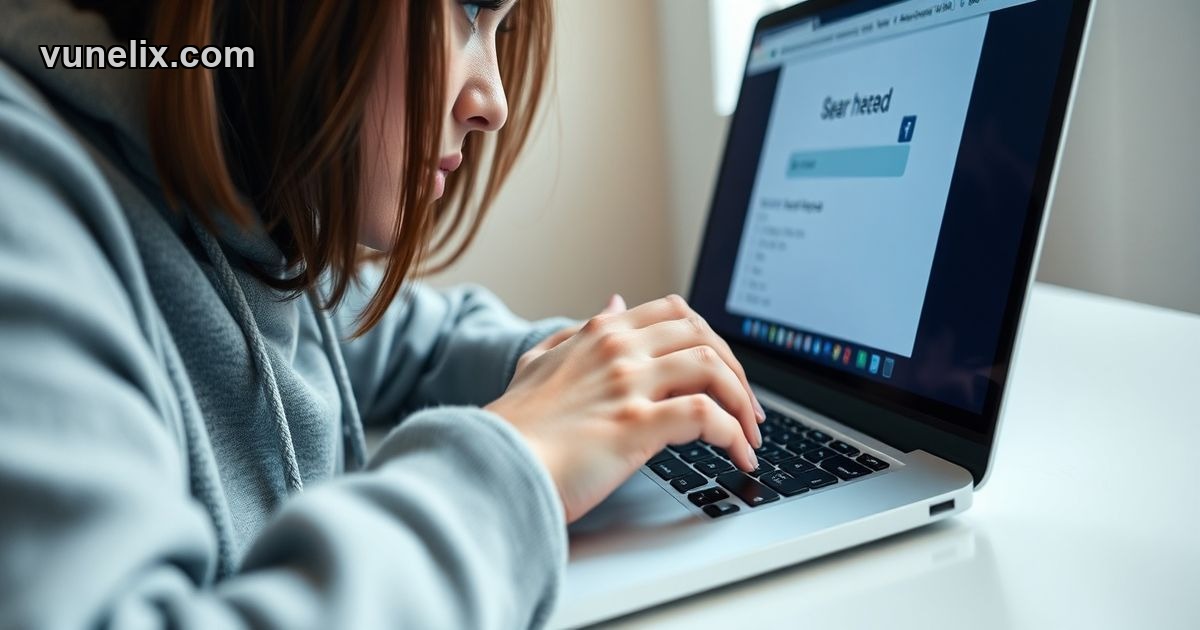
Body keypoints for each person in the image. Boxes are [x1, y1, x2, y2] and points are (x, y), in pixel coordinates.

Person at [0, 1, 766, 627]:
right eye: (470, 10)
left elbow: (408, 337)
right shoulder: (24, 211)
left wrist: (577, 380)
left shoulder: (243, 211)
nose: (493, 103)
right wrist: (516, 463)